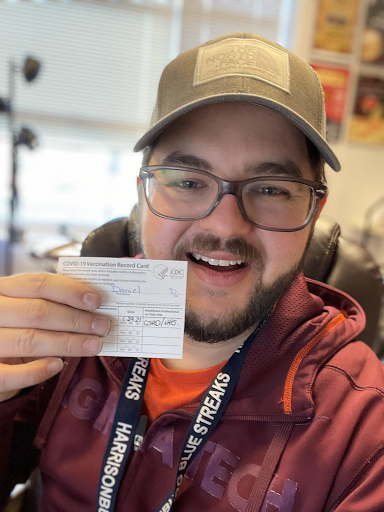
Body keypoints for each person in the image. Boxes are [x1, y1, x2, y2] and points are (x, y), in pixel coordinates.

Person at [0, 32, 383, 512]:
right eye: (186, 181)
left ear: (314, 208)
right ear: (144, 193)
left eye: (271, 189)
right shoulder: (63, 334)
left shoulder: (365, 432)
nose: (225, 224)